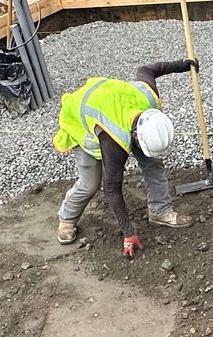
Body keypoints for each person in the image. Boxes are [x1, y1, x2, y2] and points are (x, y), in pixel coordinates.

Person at [53, 58, 197, 257]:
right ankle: (67, 217)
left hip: (115, 104)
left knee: (153, 163)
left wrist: (182, 65)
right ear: (136, 136)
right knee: (90, 183)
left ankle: (160, 211)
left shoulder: (148, 99)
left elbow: (147, 68)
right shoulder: (114, 142)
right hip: (80, 116)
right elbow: (111, 189)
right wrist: (128, 233)